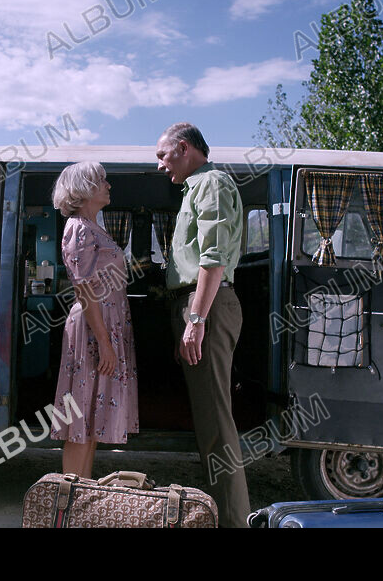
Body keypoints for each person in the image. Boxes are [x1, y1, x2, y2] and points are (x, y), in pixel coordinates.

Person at [156, 122, 250, 527]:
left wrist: (196, 319)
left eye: (162, 156)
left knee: (215, 423)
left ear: (183, 148)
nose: (161, 166)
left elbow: (213, 258)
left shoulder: (211, 184)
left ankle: (232, 520)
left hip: (206, 305)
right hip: (200, 306)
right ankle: (219, 513)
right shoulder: (195, 188)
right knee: (208, 420)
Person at [49, 161, 139, 479]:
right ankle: (70, 500)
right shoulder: (78, 227)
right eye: (102, 180)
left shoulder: (93, 227)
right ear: (84, 188)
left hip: (103, 325)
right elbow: (84, 289)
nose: (108, 185)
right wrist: (104, 342)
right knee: (80, 418)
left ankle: (81, 497)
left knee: (89, 418)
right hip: (92, 327)